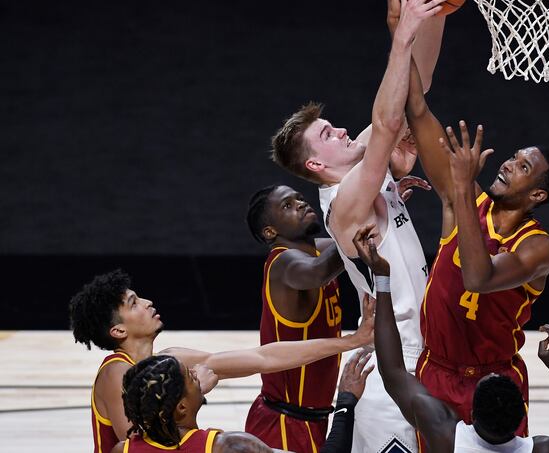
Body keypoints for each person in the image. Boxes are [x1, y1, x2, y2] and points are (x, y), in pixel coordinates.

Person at [269, 0, 445, 453]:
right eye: (328, 135)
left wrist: (436, 9)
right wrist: (402, 34)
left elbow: (414, 92)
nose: (342, 130)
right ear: (316, 165)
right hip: (394, 368)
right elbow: (387, 123)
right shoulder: (343, 203)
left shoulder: (364, 171)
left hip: (427, 356)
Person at [402, 13, 549, 436]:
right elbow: (416, 109)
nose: (510, 163)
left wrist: (458, 190)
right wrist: (398, 28)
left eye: (523, 166)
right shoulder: (464, 199)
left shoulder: (539, 248)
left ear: (537, 195)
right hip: (435, 369)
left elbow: (478, 277)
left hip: (494, 383)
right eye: (513, 156)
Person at [68, 269, 373, 453]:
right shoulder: (115, 373)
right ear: (118, 330)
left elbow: (262, 357)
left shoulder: (171, 361)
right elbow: (145, 442)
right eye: (134, 303)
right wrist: (196, 389)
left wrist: (350, 341)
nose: (147, 302)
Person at [352, 227, 549, 453]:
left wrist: (382, 278)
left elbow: (392, 371)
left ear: (472, 414)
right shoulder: (540, 449)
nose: (492, 374)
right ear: (521, 417)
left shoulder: (446, 438)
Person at [243, 184, 346, 452]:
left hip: (310, 419)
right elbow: (318, 272)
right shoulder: (283, 264)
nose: (300, 203)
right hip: (284, 424)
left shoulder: (316, 251)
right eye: (287, 205)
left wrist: (387, 209)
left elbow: (350, 247)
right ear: (270, 232)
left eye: (299, 198)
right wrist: (356, 221)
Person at [110, 349, 374, 453]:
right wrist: (346, 401)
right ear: (180, 407)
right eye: (190, 376)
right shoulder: (229, 446)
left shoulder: (122, 450)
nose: (197, 373)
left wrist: (194, 392)